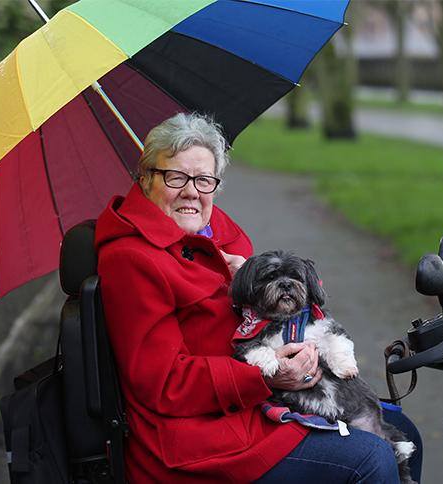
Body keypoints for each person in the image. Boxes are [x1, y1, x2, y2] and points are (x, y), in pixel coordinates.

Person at [95, 113, 422, 483]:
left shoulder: (213, 238)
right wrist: (266, 378)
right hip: (197, 437)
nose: (191, 191)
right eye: (175, 177)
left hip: (250, 408)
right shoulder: (132, 259)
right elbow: (163, 382)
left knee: (402, 430)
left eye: (204, 179)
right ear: (145, 177)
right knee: (370, 457)